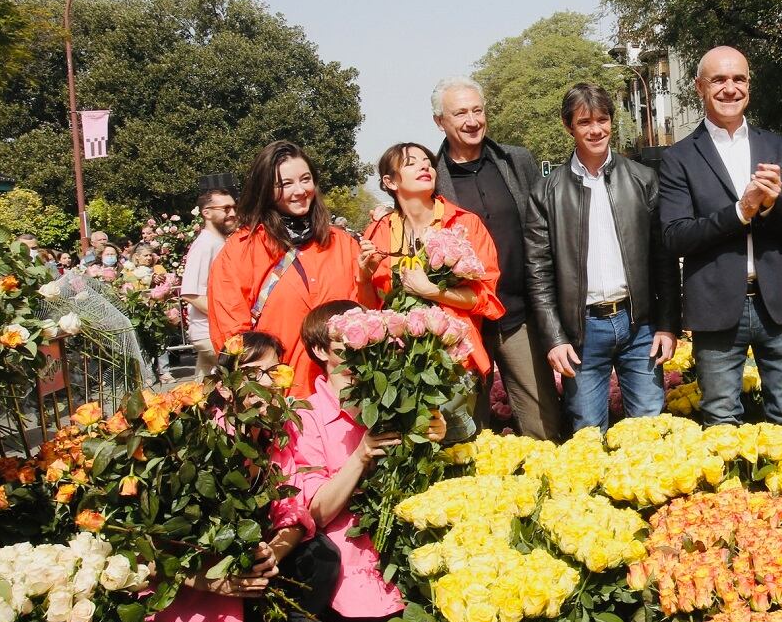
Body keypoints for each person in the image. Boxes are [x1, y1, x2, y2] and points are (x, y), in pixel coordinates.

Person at [143, 332, 336, 622]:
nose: (266, 382)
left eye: (273, 371)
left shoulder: (277, 432)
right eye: (253, 372)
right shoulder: (201, 443)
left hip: (250, 571)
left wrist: (273, 552)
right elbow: (155, 548)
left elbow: (295, 512)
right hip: (200, 588)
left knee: (321, 557)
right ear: (224, 386)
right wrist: (214, 580)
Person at [270, 301, 436, 622]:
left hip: (411, 552)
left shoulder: (396, 396)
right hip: (354, 566)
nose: (358, 351)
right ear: (319, 350)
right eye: (344, 345)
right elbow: (315, 514)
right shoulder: (304, 417)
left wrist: (443, 428)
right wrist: (360, 456)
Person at [657, 47, 782, 428]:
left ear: (749, 85)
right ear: (699, 87)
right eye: (719, 80)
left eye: (739, 79)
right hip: (716, 308)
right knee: (722, 422)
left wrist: (773, 205)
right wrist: (740, 212)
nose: (731, 88)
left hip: (778, 303)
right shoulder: (679, 157)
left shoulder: (778, 147)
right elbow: (675, 237)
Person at [527, 83, 681, 433]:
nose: (596, 129)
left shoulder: (643, 179)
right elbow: (538, 272)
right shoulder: (545, 193)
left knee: (650, 430)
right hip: (581, 332)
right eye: (585, 122)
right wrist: (555, 337)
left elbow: (665, 261)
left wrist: (668, 325)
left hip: (638, 324)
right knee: (587, 435)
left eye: (603, 119)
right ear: (569, 127)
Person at [429, 77, 565, 440]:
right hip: (465, 322)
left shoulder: (516, 161)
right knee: (466, 429)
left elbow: (546, 227)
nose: (472, 120)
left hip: (518, 315)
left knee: (543, 424)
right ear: (440, 122)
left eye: (477, 110)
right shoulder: (430, 175)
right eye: (460, 113)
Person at [208, 140, 378, 398]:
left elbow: (368, 317)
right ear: (265, 190)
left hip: (345, 398)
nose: (299, 191)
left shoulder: (342, 244)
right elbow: (232, 337)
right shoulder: (242, 250)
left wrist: (366, 280)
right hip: (282, 401)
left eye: (305, 179)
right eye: (285, 184)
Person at [364, 141, 501, 437]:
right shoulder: (380, 230)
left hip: (454, 361)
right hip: (398, 363)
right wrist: (364, 273)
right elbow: (369, 305)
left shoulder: (464, 225)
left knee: (457, 451)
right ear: (389, 181)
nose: (425, 166)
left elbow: (486, 299)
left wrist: (433, 291)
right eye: (411, 162)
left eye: (427, 161)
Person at [180, 185, 239, 377]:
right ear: (206, 213)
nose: (232, 213)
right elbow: (191, 293)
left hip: (212, 331)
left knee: (204, 391)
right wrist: (228, 317)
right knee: (243, 379)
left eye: (233, 207)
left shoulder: (217, 242)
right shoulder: (205, 245)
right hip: (211, 333)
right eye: (226, 209)